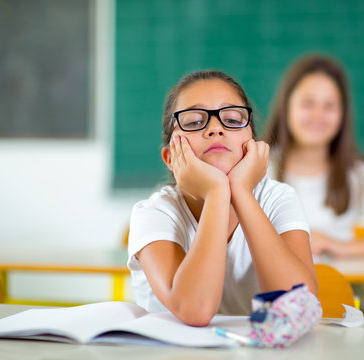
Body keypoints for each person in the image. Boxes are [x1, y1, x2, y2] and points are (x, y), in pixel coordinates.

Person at [127, 70, 318, 327]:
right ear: (171, 157)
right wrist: (218, 191)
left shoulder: (278, 198)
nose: (215, 128)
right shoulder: (153, 213)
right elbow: (195, 310)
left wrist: (241, 191)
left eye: (231, 118)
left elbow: (297, 304)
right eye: (194, 122)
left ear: (253, 143)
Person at [263, 54, 364, 259]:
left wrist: (339, 247)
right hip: (271, 290)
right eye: (307, 103)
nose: (318, 115)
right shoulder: (259, 168)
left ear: (343, 114)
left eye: (329, 106)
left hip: (337, 289)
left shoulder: (358, 175)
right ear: (286, 106)